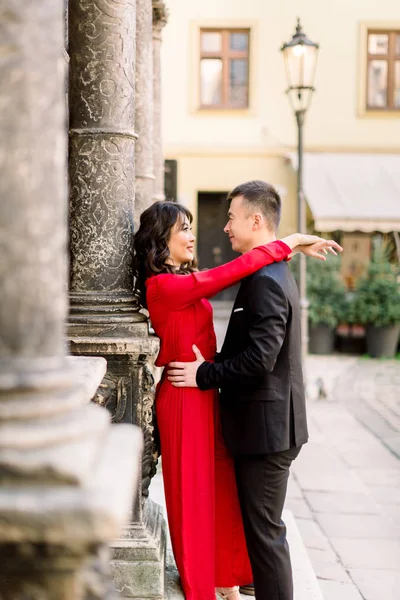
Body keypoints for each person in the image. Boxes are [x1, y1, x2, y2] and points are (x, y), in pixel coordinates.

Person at [133, 198, 341, 600]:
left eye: (192, 227)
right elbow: (232, 271)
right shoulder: (163, 287)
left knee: (222, 494)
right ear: (161, 240)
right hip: (183, 398)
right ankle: (200, 589)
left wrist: (209, 374)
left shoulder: (184, 280)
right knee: (191, 499)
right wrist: (291, 241)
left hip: (205, 392)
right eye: (184, 230)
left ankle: (227, 581)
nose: (194, 236)